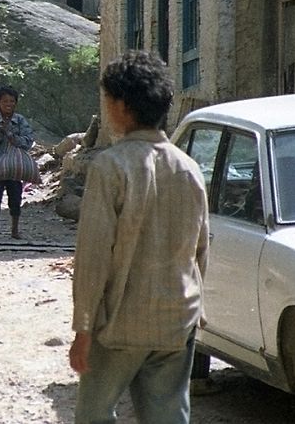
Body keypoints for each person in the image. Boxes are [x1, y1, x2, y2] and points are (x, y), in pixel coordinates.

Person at [69, 50, 209, 424]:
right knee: (168, 415)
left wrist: (83, 327)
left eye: (109, 101)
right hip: (176, 321)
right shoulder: (190, 169)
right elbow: (200, 251)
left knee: (93, 415)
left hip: (120, 324)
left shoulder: (111, 167)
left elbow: (94, 256)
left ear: (123, 106)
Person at [0, 87, 34, 238]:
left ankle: (15, 229)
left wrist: (13, 137)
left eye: (12, 101)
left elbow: (28, 141)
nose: (8, 104)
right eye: (5, 101)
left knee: (15, 196)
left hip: (15, 166)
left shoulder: (20, 121)